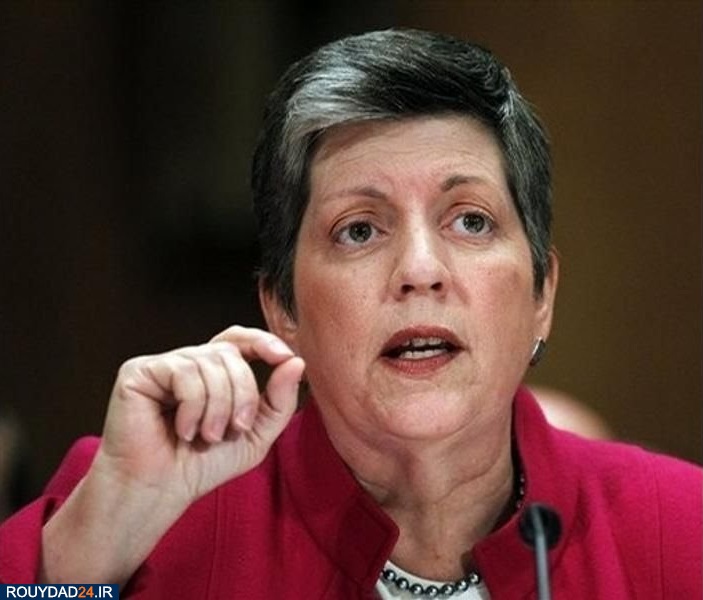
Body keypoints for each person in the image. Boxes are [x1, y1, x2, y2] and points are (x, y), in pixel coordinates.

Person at [0, 29, 700, 599]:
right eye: (359, 230)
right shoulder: (145, 517)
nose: (419, 269)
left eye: (470, 221)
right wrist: (96, 544)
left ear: (542, 294)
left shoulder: (680, 532)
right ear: (282, 307)